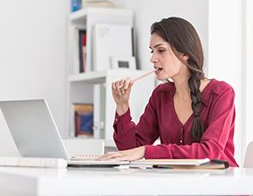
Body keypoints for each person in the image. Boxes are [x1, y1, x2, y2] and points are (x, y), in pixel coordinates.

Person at [99, 17, 238, 167]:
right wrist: (122, 106)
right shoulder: (160, 95)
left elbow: (210, 152)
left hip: (219, 186)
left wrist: (147, 151)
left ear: (184, 53)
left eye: (161, 50)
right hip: (175, 186)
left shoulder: (221, 93)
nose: (152, 59)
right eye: (152, 51)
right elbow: (130, 151)